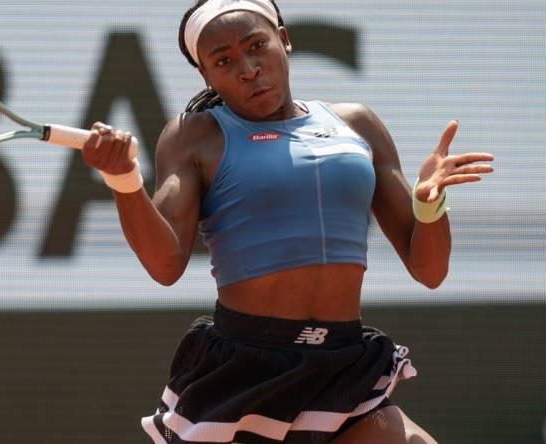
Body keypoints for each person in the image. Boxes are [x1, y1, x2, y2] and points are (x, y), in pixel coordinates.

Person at [81, 0, 494, 442]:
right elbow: (165, 265)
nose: (248, 68)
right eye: (223, 60)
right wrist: (123, 179)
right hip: (245, 377)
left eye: (257, 45)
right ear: (206, 75)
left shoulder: (357, 124)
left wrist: (429, 206)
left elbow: (429, 270)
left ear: (284, 38)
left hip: (343, 370)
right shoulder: (193, 135)